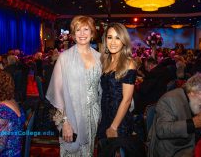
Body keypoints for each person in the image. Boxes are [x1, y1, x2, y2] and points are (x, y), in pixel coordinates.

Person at [46, 15, 102, 156]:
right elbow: (58, 92)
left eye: (86, 29)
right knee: (72, 152)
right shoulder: (64, 58)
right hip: (71, 115)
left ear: (92, 32)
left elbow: (102, 88)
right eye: (78, 30)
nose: (82, 34)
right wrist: (65, 122)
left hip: (93, 116)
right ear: (73, 34)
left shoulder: (100, 57)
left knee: (87, 152)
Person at [147, 73, 201, 157]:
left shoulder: (195, 101)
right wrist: (194, 123)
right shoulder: (169, 99)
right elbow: (162, 130)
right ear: (193, 91)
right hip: (172, 150)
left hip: (190, 146)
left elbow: (197, 123)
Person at [98, 23, 136, 139]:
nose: (113, 42)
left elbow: (127, 99)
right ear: (105, 40)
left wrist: (114, 127)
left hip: (119, 120)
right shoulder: (106, 61)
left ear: (123, 41)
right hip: (105, 115)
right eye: (110, 37)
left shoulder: (128, 63)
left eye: (117, 38)